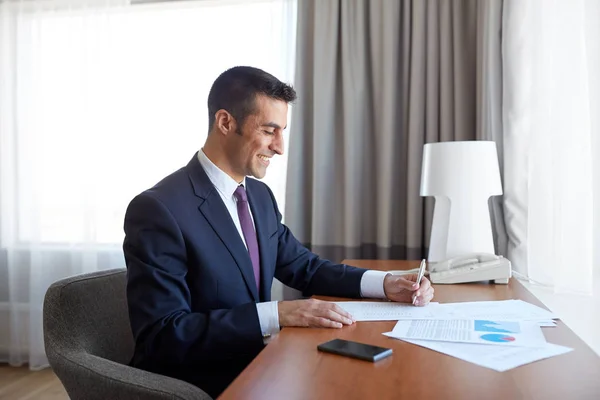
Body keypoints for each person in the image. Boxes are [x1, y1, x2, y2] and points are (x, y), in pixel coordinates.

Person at [123, 66, 434, 398]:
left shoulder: (258, 197)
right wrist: (278, 313)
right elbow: (162, 337)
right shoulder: (158, 209)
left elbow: (305, 268)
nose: (280, 147)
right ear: (226, 122)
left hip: (261, 365)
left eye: (282, 131)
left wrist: (386, 284)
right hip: (199, 385)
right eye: (270, 130)